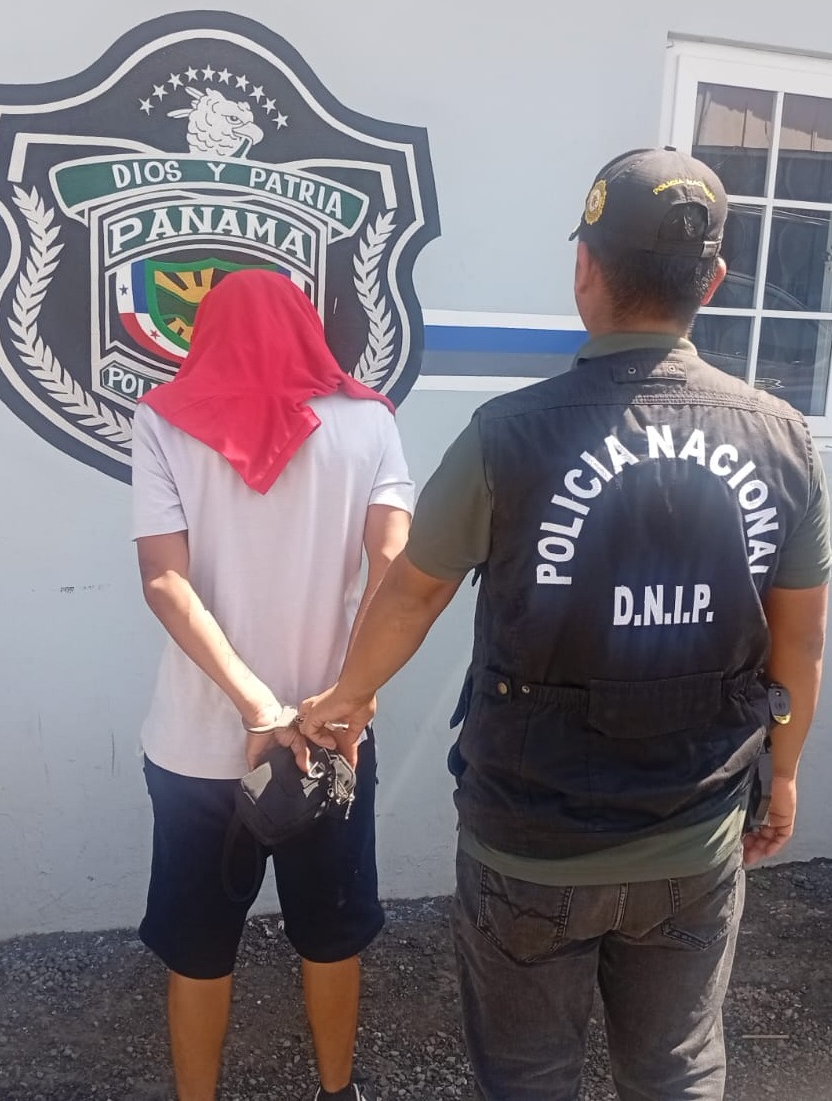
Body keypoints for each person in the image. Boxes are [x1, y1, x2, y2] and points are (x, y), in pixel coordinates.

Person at [300, 148, 831, 1101]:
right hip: (695, 828)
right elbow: (800, 636)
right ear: (711, 281)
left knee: (526, 1077)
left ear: (583, 268)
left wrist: (346, 697)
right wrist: (783, 770)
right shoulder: (782, 437)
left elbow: (413, 593)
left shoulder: (505, 435)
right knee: (675, 1068)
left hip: (529, 841)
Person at [131, 269, 413, 1101]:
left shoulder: (163, 420)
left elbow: (163, 580)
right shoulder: (369, 421)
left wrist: (255, 705)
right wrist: (354, 693)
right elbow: (393, 564)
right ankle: (336, 1090)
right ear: (307, 326)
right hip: (333, 738)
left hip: (197, 744)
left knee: (199, 946)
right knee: (331, 933)